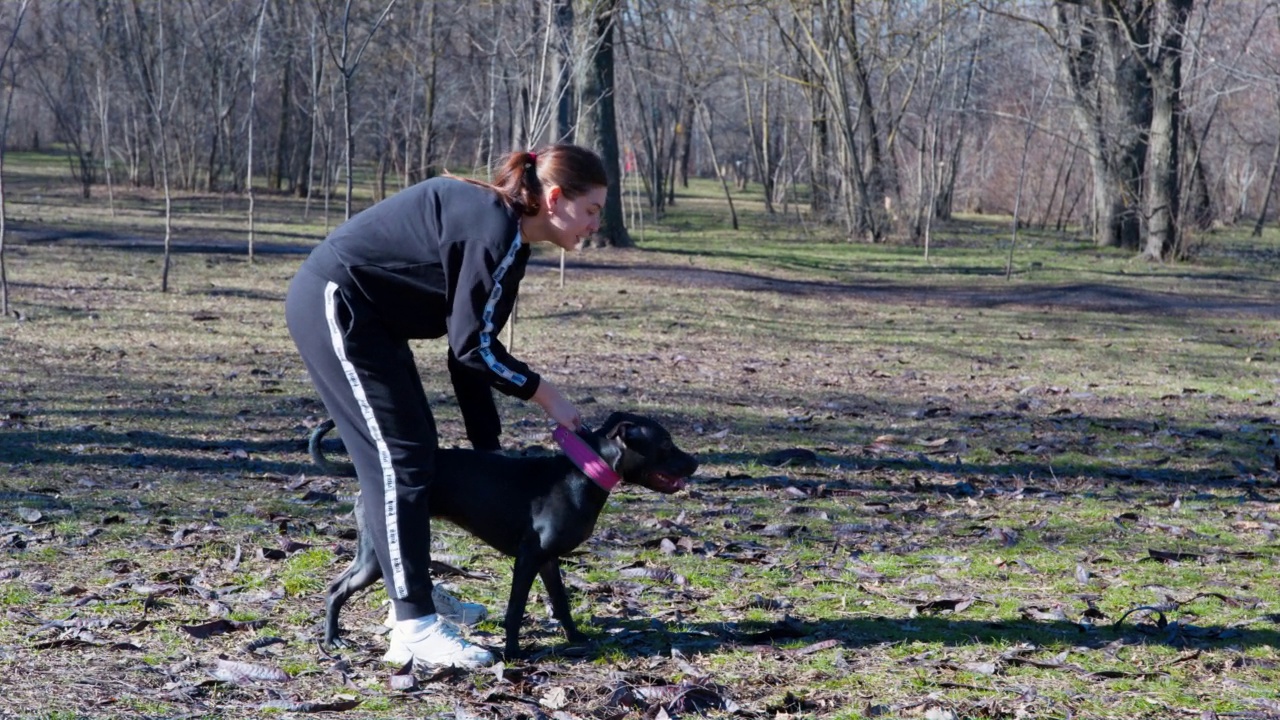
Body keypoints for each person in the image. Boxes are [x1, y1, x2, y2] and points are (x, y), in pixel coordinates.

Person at [285, 144, 609, 668]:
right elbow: (473, 350)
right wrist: (545, 393)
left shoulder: (510, 240)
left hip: (374, 322)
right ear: (553, 198)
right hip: (335, 304)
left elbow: (467, 353)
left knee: (418, 457)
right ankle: (413, 625)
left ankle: (410, 597)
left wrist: (490, 454)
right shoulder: (492, 232)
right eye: (592, 209)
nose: (596, 223)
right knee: (400, 463)